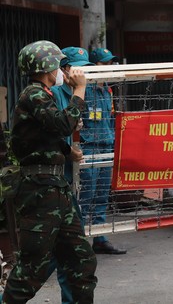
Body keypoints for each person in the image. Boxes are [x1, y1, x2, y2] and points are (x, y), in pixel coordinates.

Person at [4, 40, 97, 303]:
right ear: (48, 68)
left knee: (81, 260)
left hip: (55, 188)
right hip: (39, 191)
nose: (63, 71)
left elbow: (41, 137)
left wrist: (68, 153)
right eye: (59, 66)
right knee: (33, 268)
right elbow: (62, 125)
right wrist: (79, 90)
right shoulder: (33, 94)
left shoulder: (43, 94)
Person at [48, 47, 94, 304]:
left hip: (76, 178)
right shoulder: (53, 96)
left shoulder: (90, 92)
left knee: (69, 251)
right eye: (76, 67)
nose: (81, 72)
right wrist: (68, 152)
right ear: (64, 70)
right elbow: (52, 133)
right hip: (57, 181)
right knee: (63, 252)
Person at [79, 48, 126, 254]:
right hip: (88, 148)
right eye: (104, 64)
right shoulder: (84, 90)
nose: (108, 68)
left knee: (101, 197)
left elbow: (109, 119)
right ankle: (78, 241)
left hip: (107, 146)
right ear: (94, 66)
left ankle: (100, 238)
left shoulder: (107, 89)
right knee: (85, 197)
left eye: (110, 64)